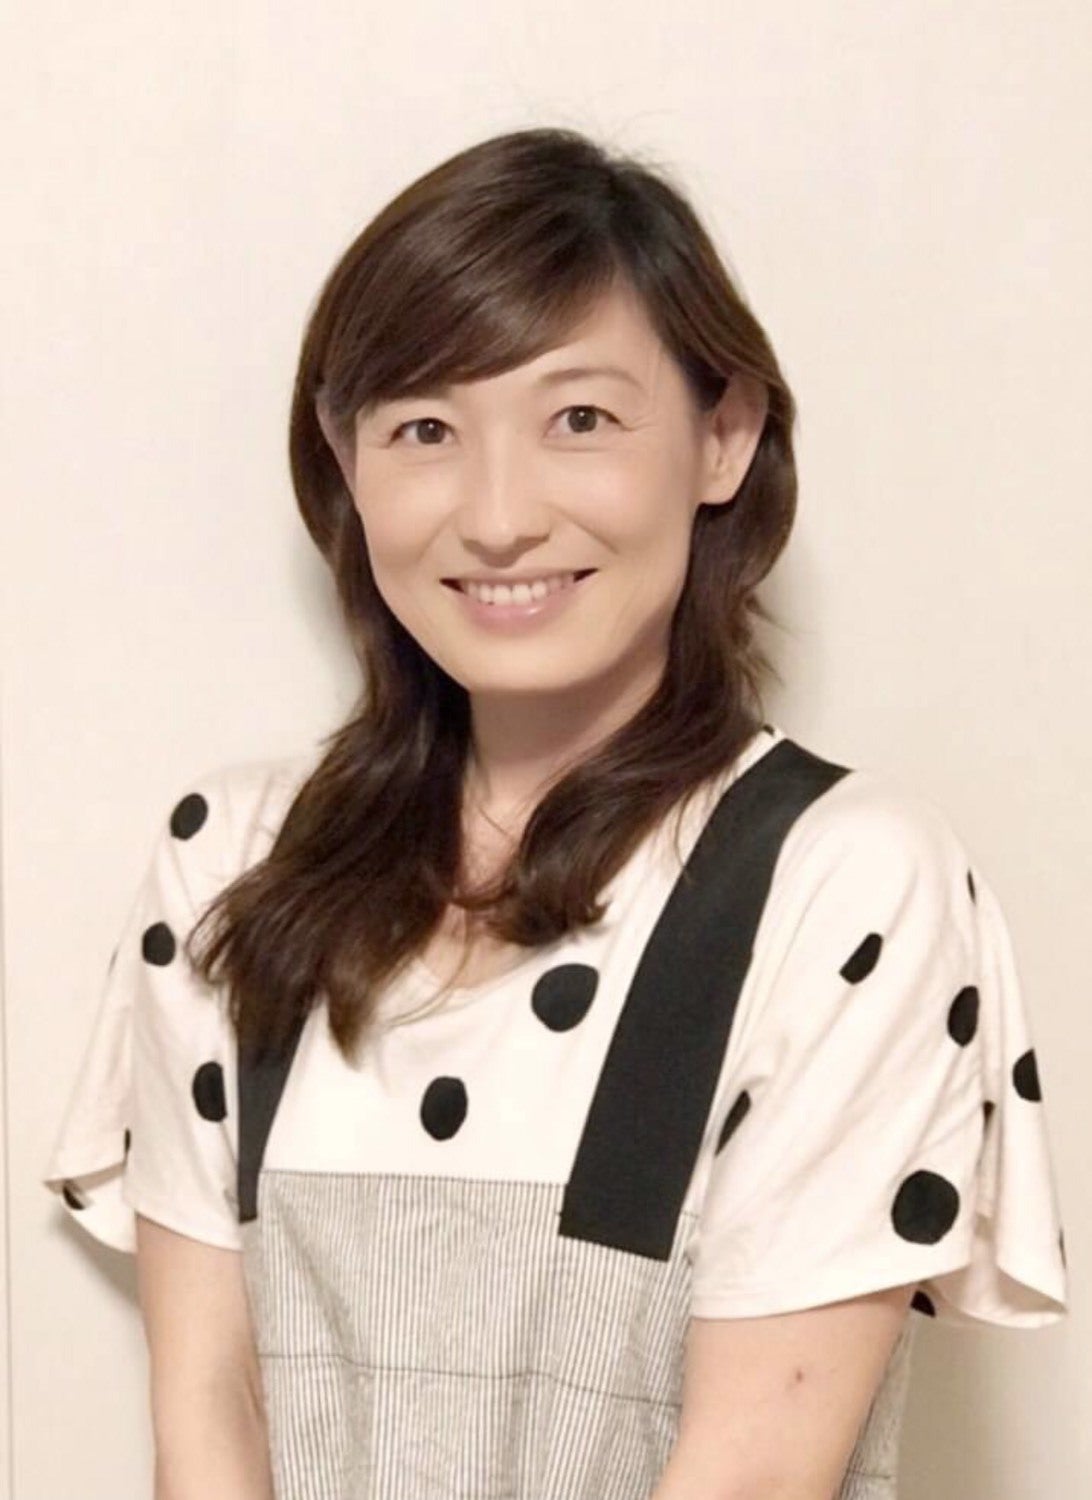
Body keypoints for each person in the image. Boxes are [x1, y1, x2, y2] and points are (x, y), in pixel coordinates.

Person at [43, 126, 1068, 1500]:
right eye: (424, 430)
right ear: (345, 462)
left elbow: (754, 1477)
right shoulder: (230, 863)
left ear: (723, 436)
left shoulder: (840, 886)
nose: (498, 517)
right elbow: (208, 1426)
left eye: (579, 419)